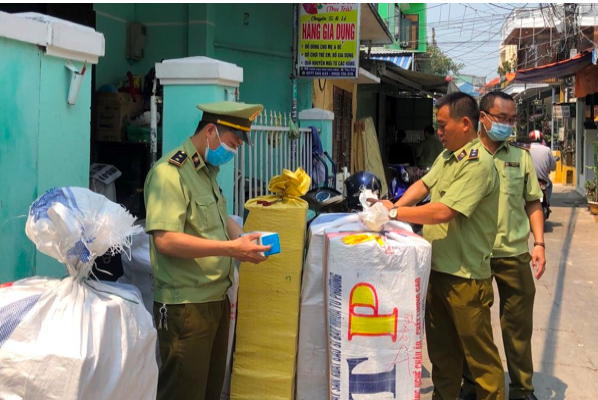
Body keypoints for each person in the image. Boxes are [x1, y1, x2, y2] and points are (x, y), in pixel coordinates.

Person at [374, 92, 505, 399]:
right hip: (438, 272)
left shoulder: (479, 163)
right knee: (443, 358)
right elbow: (423, 185)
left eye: (443, 125)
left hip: (466, 278)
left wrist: (393, 213)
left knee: (480, 362)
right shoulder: (448, 156)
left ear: (464, 123)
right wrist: (392, 203)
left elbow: (444, 210)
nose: (439, 132)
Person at [144, 101, 271, 400]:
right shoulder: (170, 173)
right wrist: (231, 249)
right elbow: (166, 240)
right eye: (231, 143)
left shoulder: (206, 171)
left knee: (210, 392)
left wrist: (245, 238)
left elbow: (217, 220)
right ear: (211, 131)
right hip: (186, 306)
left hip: (215, 301)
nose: (232, 151)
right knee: (183, 394)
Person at [460, 92, 546, 400]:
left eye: (513, 120)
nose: (509, 126)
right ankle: (472, 384)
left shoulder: (520, 157)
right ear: (483, 118)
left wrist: (539, 244)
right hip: (474, 255)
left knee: (518, 328)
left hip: (513, 254)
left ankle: (522, 389)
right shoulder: (465, 156)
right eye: (502, 119)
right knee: (473, 327)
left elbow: (533, 202)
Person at [529, 130, 557, 202]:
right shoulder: (547, 150)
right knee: (550, 184)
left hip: (529, 181)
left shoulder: (526, 149)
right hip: (543, 181)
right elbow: (553, 167)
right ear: (541, 139)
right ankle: (547, 202)